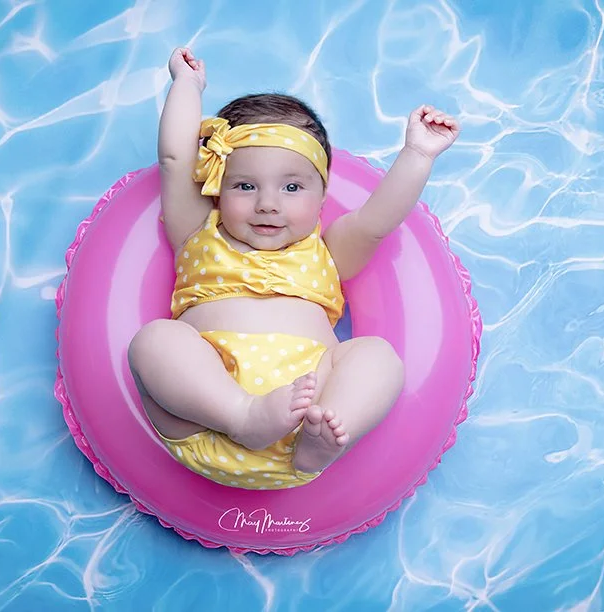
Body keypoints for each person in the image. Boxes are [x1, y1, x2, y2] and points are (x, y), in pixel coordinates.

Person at [128, 48, 460, 490]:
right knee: (154, 342)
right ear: (216, 189)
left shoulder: (327, 251)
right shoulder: (198, 233)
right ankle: (241, 414)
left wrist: (418, 153)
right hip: (203, 420)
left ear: (322, 196)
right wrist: (187, 86)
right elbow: (174, 160)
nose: (268, 203)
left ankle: (328, 436)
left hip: (305, 420)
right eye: (245, 186)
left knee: (378, 357)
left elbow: (378, 220)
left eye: (291, 187)